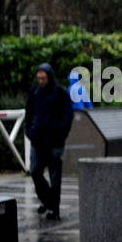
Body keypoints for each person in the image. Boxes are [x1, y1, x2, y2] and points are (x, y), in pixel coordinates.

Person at [24, 64, 74, 220]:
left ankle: (54, 208)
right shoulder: (34, 92)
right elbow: (28, 114)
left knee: (54, 176)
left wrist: (59, 136)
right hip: (37, 140)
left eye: (43, 78)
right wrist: (29, 132)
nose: (41, 81)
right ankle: (48, 201)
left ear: (49, 77)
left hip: (54, 141)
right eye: (38, 78)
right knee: (35, 172)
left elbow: (67, 117)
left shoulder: (60, 93)